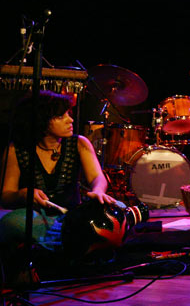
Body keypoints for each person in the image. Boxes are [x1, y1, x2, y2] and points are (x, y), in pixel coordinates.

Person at [0, 90, 116, 251]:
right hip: (36, 219)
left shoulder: (79, 143)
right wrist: (22, 194)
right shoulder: (15, 149)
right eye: (61, 116)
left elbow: (97, 177)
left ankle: (64, 239)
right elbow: (5, 196)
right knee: (10, 222)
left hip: (72, 215)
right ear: (41, 121)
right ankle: (70, 240)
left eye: (68, 114)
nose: (71, 120)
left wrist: (98, 191)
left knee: (118, 209)